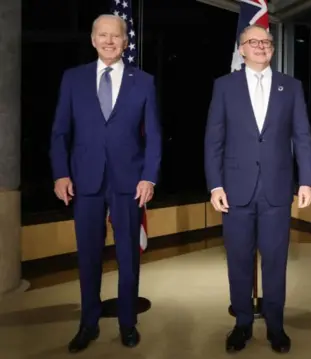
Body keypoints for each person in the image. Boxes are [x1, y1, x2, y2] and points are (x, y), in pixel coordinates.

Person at [49, 14, 161, 353]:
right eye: (103, 35)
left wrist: (149, 176)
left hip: (130, 181)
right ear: (93, 39)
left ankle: (128, 323)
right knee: (88, 257)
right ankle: (88, 323)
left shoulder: (144, 82)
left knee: (128, 255)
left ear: (125, 42)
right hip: (85, 181)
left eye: (116, 36)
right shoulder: (73, 79)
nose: (109, 41)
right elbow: (59, 133)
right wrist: (60, 173)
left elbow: (154, 136)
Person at [205, 24, 311, 354]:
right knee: (238, 261)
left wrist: (306, 180)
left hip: (277, 191)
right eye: (253, 42)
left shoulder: (290, 87)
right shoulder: (224, 87)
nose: (261, 46)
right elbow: (214, 140)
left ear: (273, 48)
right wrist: (215, 185)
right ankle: (241, 324)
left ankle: (276, 327)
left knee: (275, 261)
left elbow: (303, 137)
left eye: (266, 42)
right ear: (241, 49)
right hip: (235, 191)